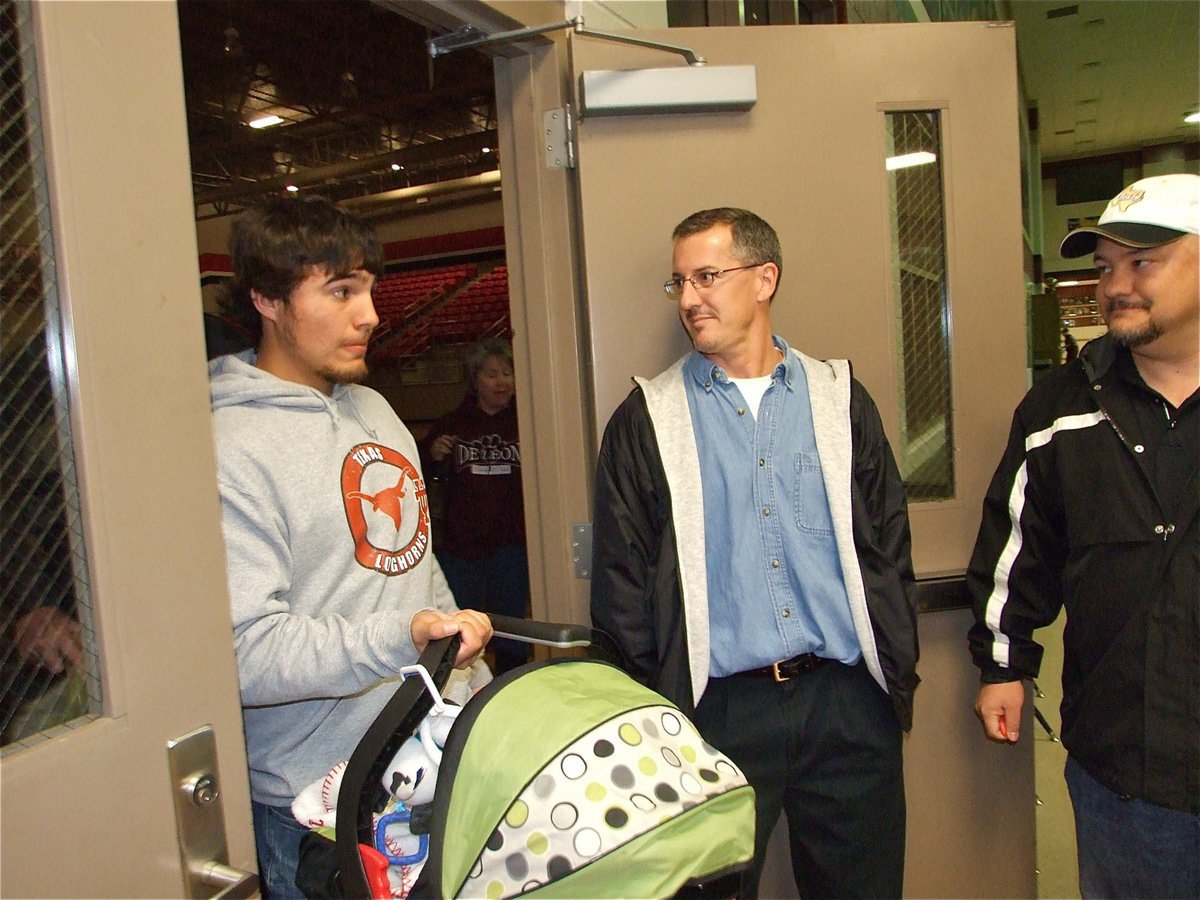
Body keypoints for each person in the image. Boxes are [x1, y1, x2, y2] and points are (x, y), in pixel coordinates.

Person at [590, 207, 919, 898]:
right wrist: (655, 722)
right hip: (715, 714)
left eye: (707, 276)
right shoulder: (646, 421)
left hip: (846, 704)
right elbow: (621, 588)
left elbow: (888, 543)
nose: (689, 299)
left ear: (765, 278)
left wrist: (894, 673)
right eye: (679, 282)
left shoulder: (839, 400)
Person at [208, 196, 492, 899]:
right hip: (316, 808)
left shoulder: (374, 409)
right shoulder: (228, 446)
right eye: (340, 291)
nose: (369, 315)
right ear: (267, 299)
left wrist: (469, 680)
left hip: (428, 767)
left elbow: (415, 562)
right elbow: (244, 652)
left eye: (368, 289)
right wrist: (400, 639)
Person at [967, 173, 1199, 898]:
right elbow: (1016, 547)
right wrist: (1003, 664)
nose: (1116, 286)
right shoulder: (1062, 409)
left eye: (1143, 262)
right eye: (1105, 268)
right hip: (1128, 776)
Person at [418, 338, 531, 674]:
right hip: (461, 548)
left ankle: (512, 683)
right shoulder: (454, 423)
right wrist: (433, 454)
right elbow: (420, 471)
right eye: (492, 375)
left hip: (511, 545)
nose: (501, 382)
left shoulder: (526, 422)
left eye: (507, 373)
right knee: (459, 628)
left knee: (511, 629)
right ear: (475, 381)